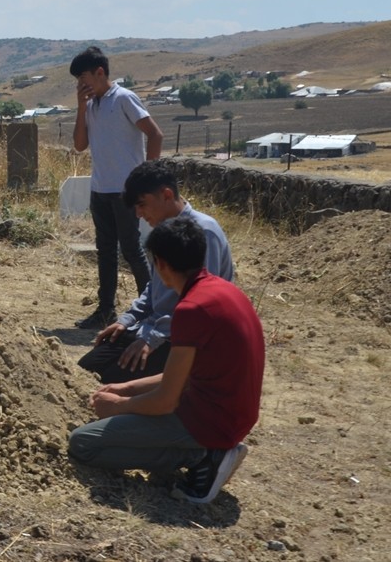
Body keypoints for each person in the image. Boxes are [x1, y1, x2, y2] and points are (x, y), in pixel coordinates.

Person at [67, 216, 265, 504]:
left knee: (83, 443)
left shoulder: (190, 309)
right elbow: (182, 376)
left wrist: (118, 407)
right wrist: (126, 389)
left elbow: (165, 401)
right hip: (233, 415)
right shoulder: (224, 290)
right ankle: (204, 451)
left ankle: (201, 456)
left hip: (209, 423)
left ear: (160, 264)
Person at [78, 159, 234, 383]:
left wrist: (152, 339)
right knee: (85, 369)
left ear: (167, 195)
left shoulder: (203, 232)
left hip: (182, 337)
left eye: (142, 205)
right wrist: (127, 319)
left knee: (106, 380)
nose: (138, 214)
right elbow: (155, 288)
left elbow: (201, 306)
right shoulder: (164, 231)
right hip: (153, 328)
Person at [70, 46, 163, 330]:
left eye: (83, 77)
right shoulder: (92, 105)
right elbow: (79, 145)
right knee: (106, 250)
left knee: (132, 249)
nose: (80, 84)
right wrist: (81, 107)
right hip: (100, 188)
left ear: (100, 72)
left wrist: (147, 179)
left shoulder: (123, 98)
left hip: (125, 190)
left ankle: (152, 308)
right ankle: (105, 310)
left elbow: (155, 134)